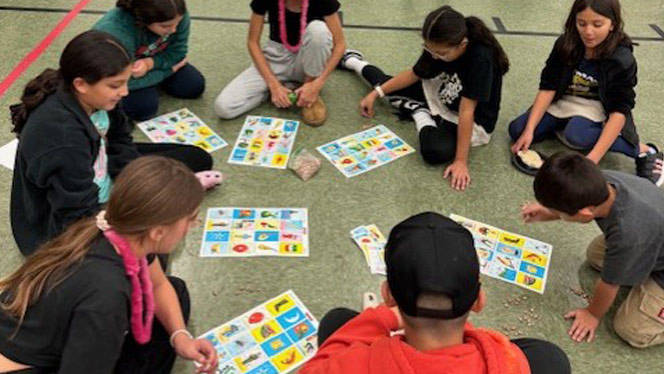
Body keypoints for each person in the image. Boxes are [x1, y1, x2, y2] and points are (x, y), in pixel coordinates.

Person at [9, 30, 219, 256]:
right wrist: (129, 211)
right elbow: (76, 214)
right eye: (116, 85)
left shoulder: (96, 97)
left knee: (198, 158)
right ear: (81, 84)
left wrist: (132, 180)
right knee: (155, 248)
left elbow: (120, 139)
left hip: (100, 164)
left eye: (125, 82)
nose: (124, 92)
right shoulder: (62, 137)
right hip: (64, 227)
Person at [0, 156, 218, 373]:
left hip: (26, 336)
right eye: (191, 218)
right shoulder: (107, 297)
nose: (194, 225)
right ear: (158, 232)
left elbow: (159, 285)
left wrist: (180, 336)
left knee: (175, 292)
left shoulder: (114, 230)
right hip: (25, 365)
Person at [300, 212, 571, 374]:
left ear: (388, 295)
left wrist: (384, 318)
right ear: (479, 301)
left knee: (337, 322)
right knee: (550, 358)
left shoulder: (354, 363)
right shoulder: (502, 359)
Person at [339, 5, 509, 191]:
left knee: (435, 151)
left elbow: (466, 111)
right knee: (386, 85)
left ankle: (419, 111)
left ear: (462, 44)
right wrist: (376, 93)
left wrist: (461, 161)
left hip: (471, 118)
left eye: (441, 54)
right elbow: (414, 73)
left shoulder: (481, 59)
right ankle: (353, 61)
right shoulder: (437, 47)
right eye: (430, 51)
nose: (434, 57)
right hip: (442, 91)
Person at [509, 0, 663, 186]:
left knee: (577, 135)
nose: (588, 32)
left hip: (596, 106)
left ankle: (646, 150)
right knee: (517, 130)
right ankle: (564, 127)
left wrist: (591, 160)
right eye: (581, 23)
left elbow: (619, 111)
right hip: (564, 101)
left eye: (597, 25)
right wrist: (529, 130)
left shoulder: (621, 59)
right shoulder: (565, 44)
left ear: (612, 24)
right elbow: (548, 87)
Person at [522, 151, 664, 347]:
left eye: (559, 212)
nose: (556, 214)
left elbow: (609, 284)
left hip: (652, 256)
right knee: (596, 256)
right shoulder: (600, 181)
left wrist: (592, 313)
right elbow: (582, 212)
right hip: (650, 238)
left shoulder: (627, 235)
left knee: (631, 330)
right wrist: (551, 212)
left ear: (585, 211)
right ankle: (637, 271)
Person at [214, 0, 346, 124]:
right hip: (275, 57)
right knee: (224, 108)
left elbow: (340, 44)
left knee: (319, 31)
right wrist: (273, 85)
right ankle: (274, 90)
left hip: (308, 60)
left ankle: (309, 90)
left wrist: (317, 84)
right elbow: (253, 43)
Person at [93, 0, 205, 121]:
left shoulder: (176, 14)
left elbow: (178, 52)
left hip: (146, 64)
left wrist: (150, 64)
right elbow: (125, 81)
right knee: (144, 108)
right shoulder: (116, 31)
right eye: (165, 26)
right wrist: (170, 70)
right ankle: (151, 82)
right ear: (144, 20)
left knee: (194, 86)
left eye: (178, 23)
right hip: (117, 72)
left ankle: (149, 81)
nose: (173, 30)